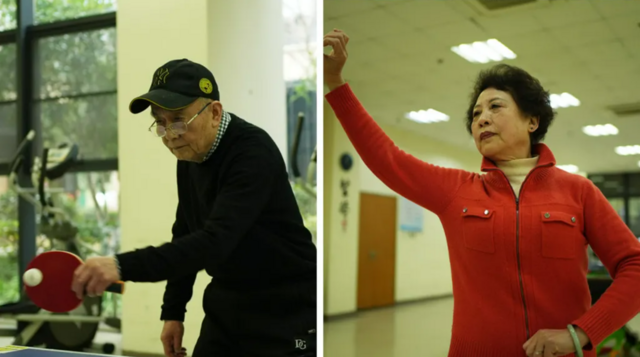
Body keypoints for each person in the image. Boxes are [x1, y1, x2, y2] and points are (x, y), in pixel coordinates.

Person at [323, 29, 640, 357]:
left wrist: (582, 334)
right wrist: (336, 83)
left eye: (495, 107)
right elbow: (386, 158)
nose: (482, 119)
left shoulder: (579, 191)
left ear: (532, 121)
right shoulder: (457, 190)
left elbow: (635, 265)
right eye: (476, 114)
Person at [70, 59, 317, 357]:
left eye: (177, 120)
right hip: (228, 304)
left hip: (287, 309)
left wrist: (120, 266)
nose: (170, 134)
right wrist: (173, 312)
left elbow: (215, 241)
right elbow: (185, 230)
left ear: (214, 112)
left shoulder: (253, 152)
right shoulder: (190, 156)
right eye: (159, 123)